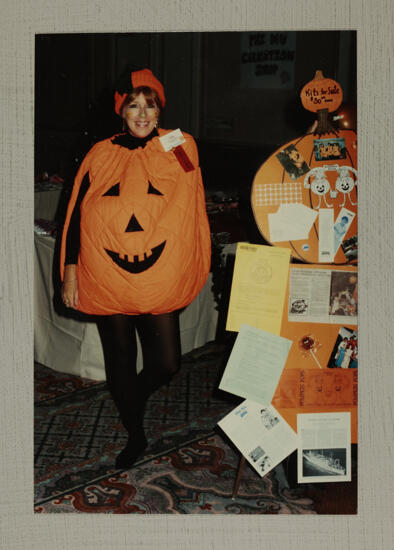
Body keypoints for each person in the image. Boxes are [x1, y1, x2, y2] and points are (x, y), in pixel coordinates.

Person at [59, 68, 211, 469]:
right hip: (105, 272)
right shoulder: (100, 152)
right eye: (133, 105)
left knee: (167, 362)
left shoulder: (179, 145)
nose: (142, 114)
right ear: (121, 110)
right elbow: (75, 214)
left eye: (150, 105)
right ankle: (136, 433)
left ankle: (131, 396)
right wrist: (72, 269)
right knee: (121, 360)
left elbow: (189, 196)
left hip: (157, 274)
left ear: (160, 110)